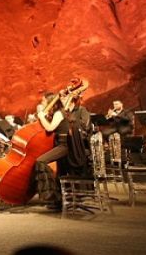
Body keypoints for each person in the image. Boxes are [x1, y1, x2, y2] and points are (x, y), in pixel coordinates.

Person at [34, 80, 91, 210]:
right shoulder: (58, 112)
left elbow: (50, 128)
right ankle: (59, 200)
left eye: (43, 102)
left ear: (49, 102)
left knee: (40, 161)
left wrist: (42, 117)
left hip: (64, 146)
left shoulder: (59, 113)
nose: (42, 104)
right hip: (60, 144)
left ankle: (50, 195)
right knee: (60, 173)